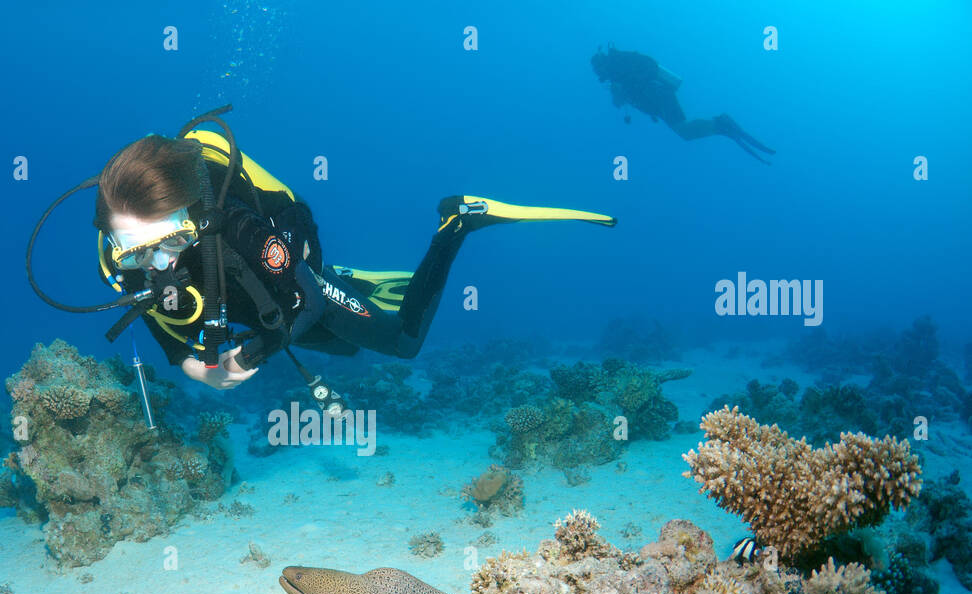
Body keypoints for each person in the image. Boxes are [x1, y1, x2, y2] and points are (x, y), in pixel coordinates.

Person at [91, 112, 616, 392]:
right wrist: (197, 370)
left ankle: (457, 221)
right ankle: (351, 284)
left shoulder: (241, 231)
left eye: (172, 243)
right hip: (249, 292)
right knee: (344, 350)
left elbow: (308, 306)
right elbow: (163, 326)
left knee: (401, 343)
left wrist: (258, 352)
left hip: (290, 269)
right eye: (135, 251)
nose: (155, 265)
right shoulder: (118, 256)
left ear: (196, 220)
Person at [590, 44, 775, 164]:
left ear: (603, 65)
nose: (600, 76)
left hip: (659, 95)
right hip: (659, 99)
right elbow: (621, 101)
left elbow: (645, 71)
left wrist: (622, 88)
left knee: (684, 130)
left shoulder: (620, 68)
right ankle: (721, 127)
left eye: (599, 71)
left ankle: (721, 124)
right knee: (685, 132)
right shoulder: (619, 75)